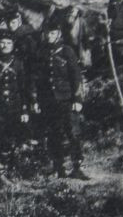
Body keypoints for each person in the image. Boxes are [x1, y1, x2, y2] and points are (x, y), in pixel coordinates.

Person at [33, 21, 88, 179]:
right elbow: (37, 78)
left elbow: (76, 76)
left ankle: (77, 166)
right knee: (54, 134)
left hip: (67, 99)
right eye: (47, 33)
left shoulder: (67, 51)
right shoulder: (41, 52)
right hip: (49, 101)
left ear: (58, 34)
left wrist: (77, 98)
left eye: (53, 33)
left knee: (73, 132)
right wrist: (36, 99)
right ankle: (59, 168)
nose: (49, 36)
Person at [0, 33, 33, 179]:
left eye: (8, 43)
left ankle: (4, 173)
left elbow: (23, 88)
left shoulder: (18, 64)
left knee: (9, 140)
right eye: (2, 43)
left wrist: (24, 109)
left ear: (13, 45)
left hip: (14, 109)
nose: (5, 46)